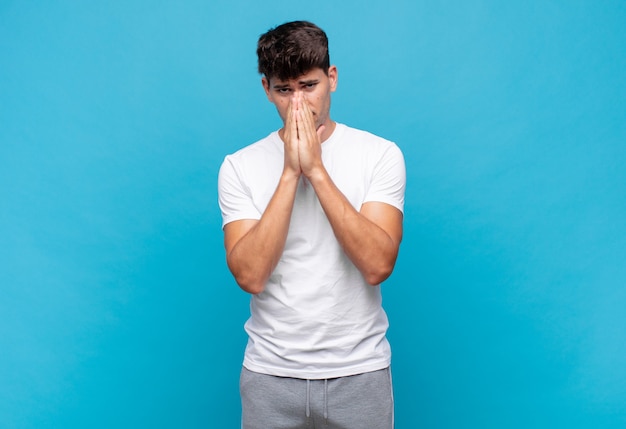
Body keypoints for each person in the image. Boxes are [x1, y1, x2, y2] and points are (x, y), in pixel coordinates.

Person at [218, 20, 406, 428]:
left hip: (360, 372)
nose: (298, 104)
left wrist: (317, 172)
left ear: (331, 79)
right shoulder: (239, 166)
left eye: (308, 86)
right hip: (271, 374)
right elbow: (250, 275)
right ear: (266, 89)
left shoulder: (380, 155)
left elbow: (378, 265)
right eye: (284, 90)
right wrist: (290, 173)